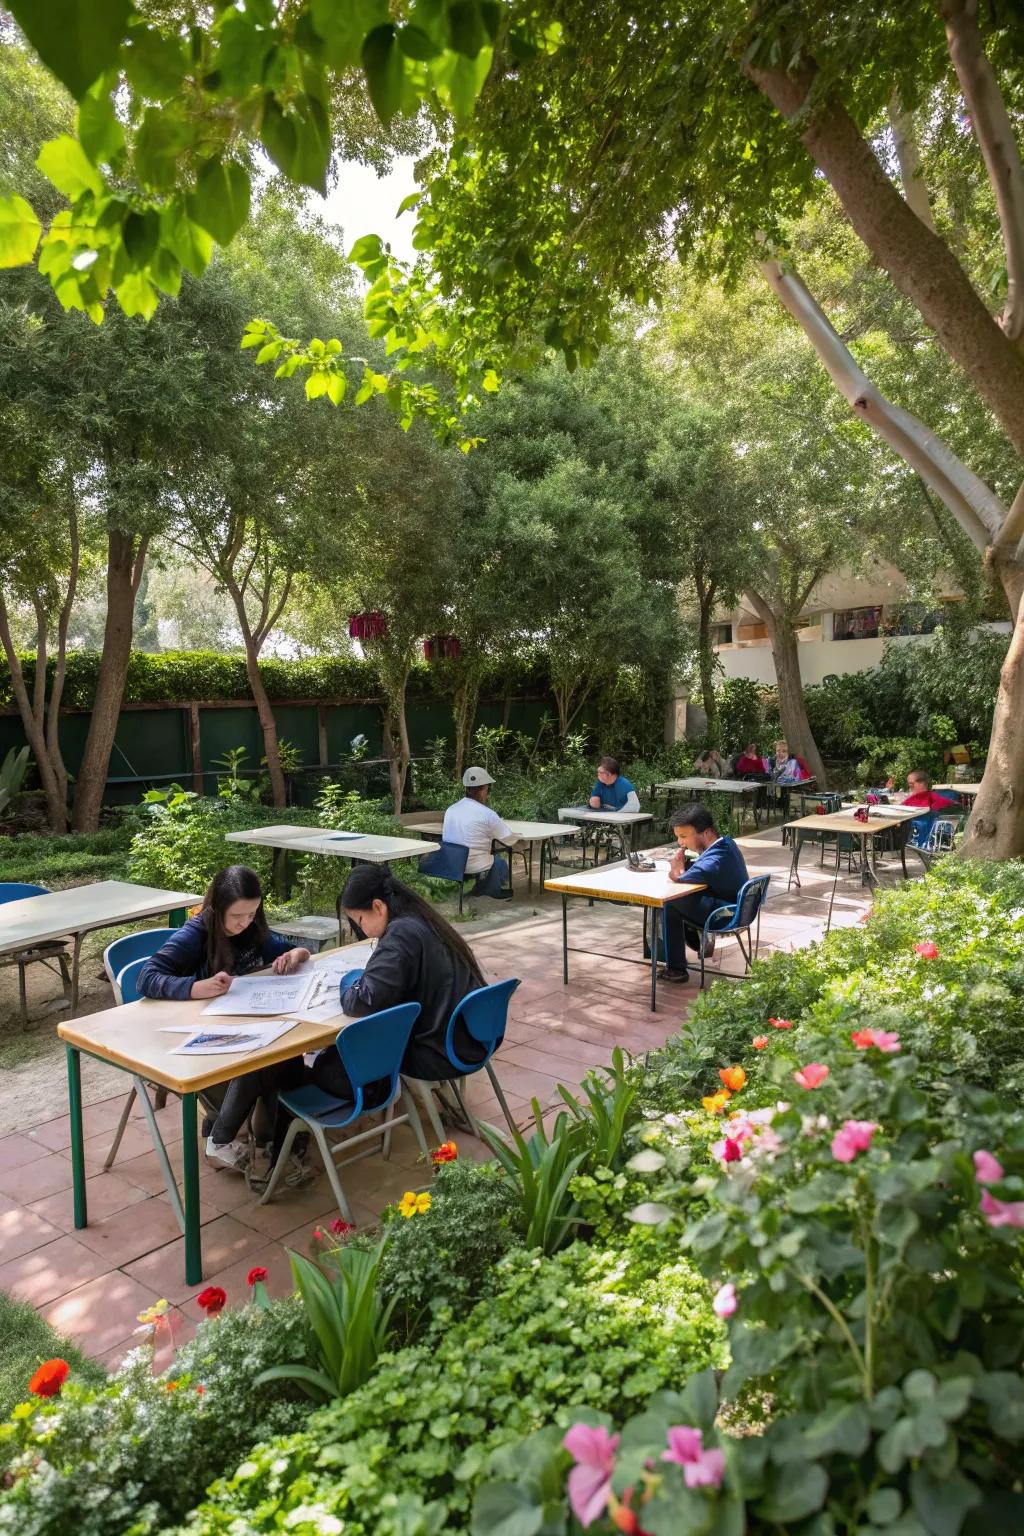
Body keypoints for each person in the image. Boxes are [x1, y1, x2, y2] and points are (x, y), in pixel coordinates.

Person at [136, 866, 312, 1173]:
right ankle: (229, 1138)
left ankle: (268, 1138)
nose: (245, 923)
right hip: (196, 1035)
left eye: (252, 914)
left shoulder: (252, 928)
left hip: (238, 1023)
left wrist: (294, 955)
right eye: (237, 916)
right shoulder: (195, 933)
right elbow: (146, 977)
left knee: (285, 1052)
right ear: (217, 909)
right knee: (268, 1058)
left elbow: (292, 948)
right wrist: (194, 987)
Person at [321, 864, 489, 1092]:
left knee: (331, 1061)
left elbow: (364, 1001)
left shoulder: (400, 936)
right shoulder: (423, 918)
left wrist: (350, 980)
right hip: (471, 1037)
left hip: (440, 1051)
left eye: (360, 921)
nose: (362, 929)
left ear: (378, 906)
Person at [659, 802, 749, 982]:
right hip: (740, 908)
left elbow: (679, 878)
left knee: (670, 903)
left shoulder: (713, 861)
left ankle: (676, 969)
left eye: (684, 836)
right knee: (681, 900)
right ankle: (686, 951)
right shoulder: (726, 844)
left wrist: (676, 867)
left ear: (706, 832)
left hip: (726, 914)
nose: (680, 842)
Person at [442, 766, 513, 900]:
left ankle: (477, 885)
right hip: (474, 864)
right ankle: (491, 889)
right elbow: (508, 838)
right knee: (499, 862)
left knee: (485, 856)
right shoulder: (487, 814)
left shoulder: (450, 810)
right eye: (487, 789)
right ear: (483, 789)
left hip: (452, 863)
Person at [892, 770, 959, 813]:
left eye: (911, 784)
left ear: (922, 783)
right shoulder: (934, 796)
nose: (910, 787)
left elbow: (899, 810)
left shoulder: (918, 798)